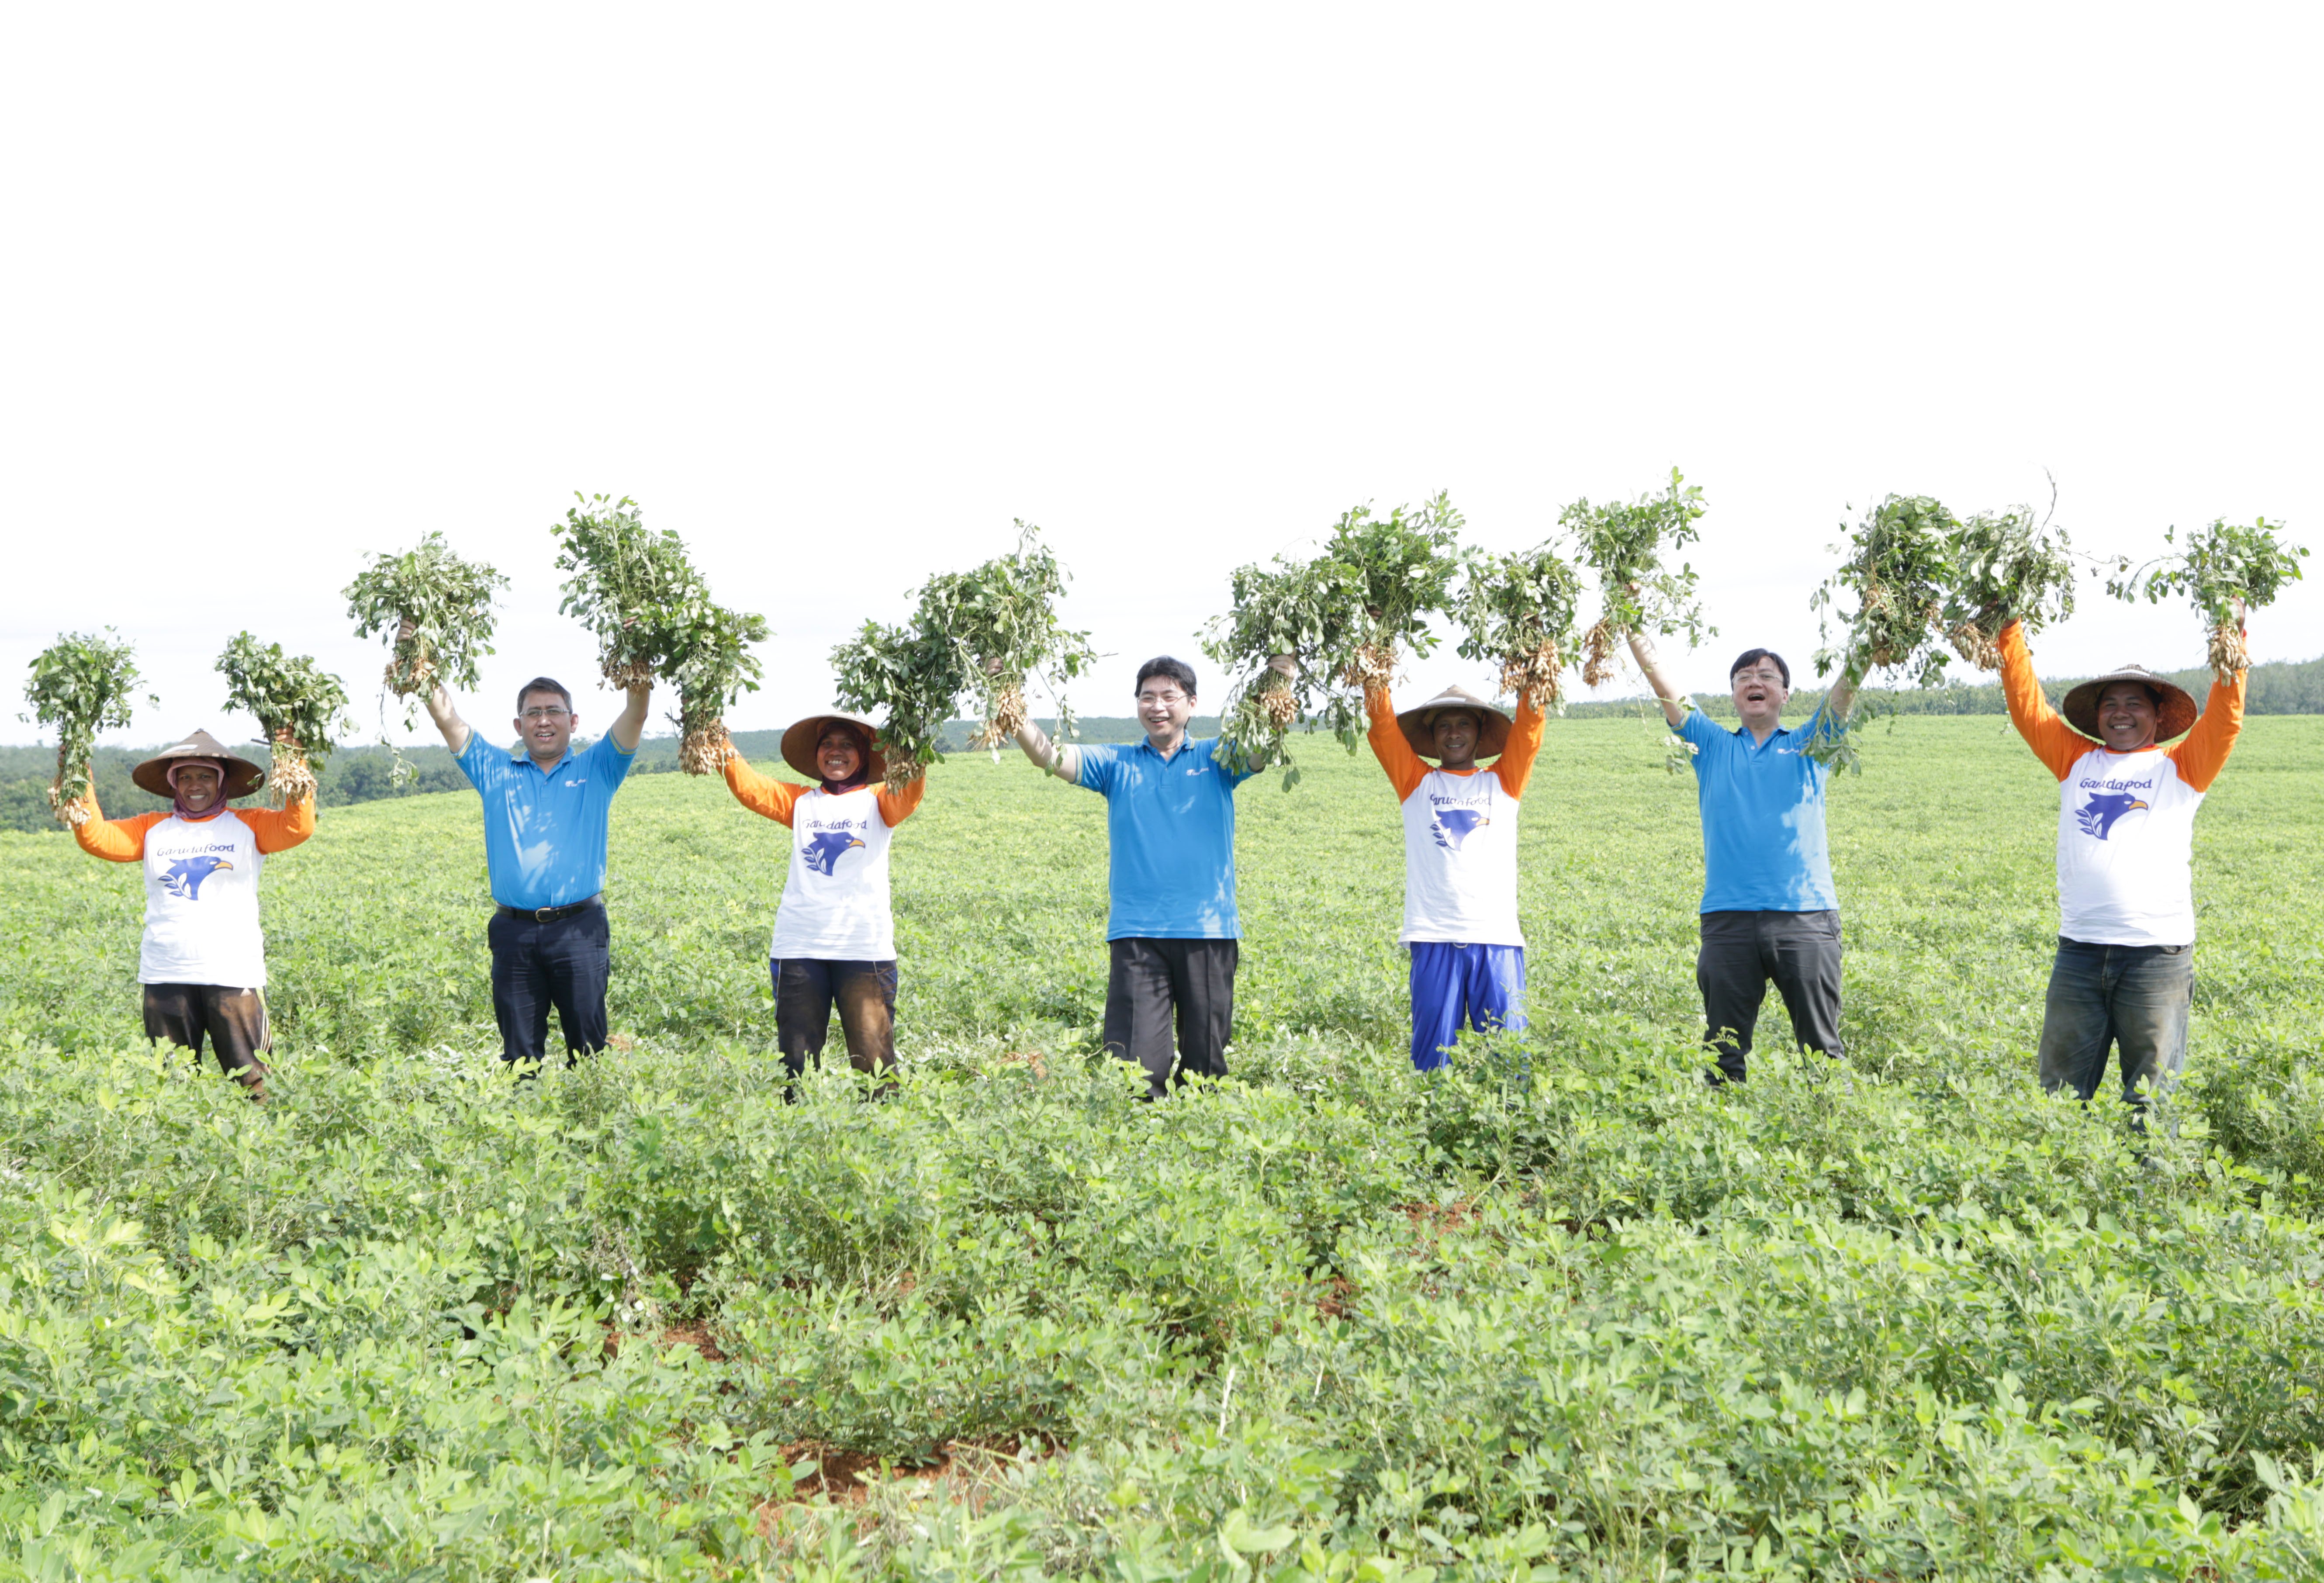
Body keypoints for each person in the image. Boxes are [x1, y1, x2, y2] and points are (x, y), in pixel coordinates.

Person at [1997, 615, 2245, 1118]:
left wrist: (2232, 631)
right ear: (2097, 717)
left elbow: (2225, 716)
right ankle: (2061, 1188)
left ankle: (2148, 1191)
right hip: (2079, 953)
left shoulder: (2181, 766)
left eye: (2134, 703)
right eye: (2110, 704)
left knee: (2149, 1099)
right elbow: (2027, 705)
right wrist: (2008, 626)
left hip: (2155, 957)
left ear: (2158, 716)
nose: (2120, 713)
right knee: (2060, 1096)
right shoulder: (2074, 759)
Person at [1013, 655, 1285, 1099]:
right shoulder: (1115, 764)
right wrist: (1007, 700)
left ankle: (1200, 1152)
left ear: (1192, 704)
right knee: (1133, 1068)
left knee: (1206, 1067)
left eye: (1168, 697)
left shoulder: (1219, 757)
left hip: (1208, 930)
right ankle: (1140, 1151)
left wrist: (1280, 678)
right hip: (1137, 933)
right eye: (1147, 697)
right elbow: (1048, 755)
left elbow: (1261, 747)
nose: (1156, 706)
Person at [1628, 633, 1857, 1083]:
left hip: (1805, 917)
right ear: (1733, 695)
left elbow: (1845, 691)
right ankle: (1722, 1144)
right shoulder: (1710, 745)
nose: (1755, 682)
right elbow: (1663, 682)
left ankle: (1832, 1137)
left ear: (1785, 695)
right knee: (1722, 1050)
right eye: (1744, 678)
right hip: (1728, 919)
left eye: (1767, 676)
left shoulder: (1813, 743)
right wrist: (1630, 622)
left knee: (1822, 1051)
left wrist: (1873, 638)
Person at [418, 660, 650, 1067]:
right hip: (514, 934)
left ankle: (592, 1122)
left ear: (573, 721)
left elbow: (636, 711)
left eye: (554, 712)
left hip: (580, 929)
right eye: (534, 713)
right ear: (518, 725)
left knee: (590, 1050)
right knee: (519, 1056)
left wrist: (638, 655)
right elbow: (446, 718)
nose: (544, 721)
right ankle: (525, 1127)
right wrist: (416, 656)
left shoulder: (597, 768)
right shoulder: (495, 770)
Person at [66, 729, 315, 1101]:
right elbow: (96, 838)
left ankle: (262, 1144)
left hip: (231, 970)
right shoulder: (152, 829)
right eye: (185, 776)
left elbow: (298, 827)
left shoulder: (250, 824)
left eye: (204, 776)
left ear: (221, 782)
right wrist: (76, 773)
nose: (194, 785)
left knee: (254, 1079)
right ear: (173, 783)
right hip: (167, 971)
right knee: (173, 1080)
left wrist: (293, 758)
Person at [721, 712, 923, 1095]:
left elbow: (910, 790)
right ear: (817, 754)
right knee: (796, 1065)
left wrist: (914, 739)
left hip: (864, 949)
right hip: (800, 947)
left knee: (875, 1064)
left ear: (863, 754)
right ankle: (797, 1142)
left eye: (847, 745)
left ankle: (880, 1143)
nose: (836, 752)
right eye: (827, 744)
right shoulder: (800, 803)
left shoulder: (881, 802)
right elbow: (749, 788)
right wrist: (718, 739)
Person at [1363, 681, 1544, 1070]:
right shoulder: (1416, 783)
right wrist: (1373, 671)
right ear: (1431, 736)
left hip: (1495, 938)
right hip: (1433, 935)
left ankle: (1511, 1130)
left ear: (1480, 733)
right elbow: (1382, 727)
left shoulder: (1504, 781)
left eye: (1464, 724)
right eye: (1444, 726)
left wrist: (1534, 670)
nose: (1455, 733)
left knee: (1510, 1057)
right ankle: (1429, 1129)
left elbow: (1530, 728)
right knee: (1433, 1058)